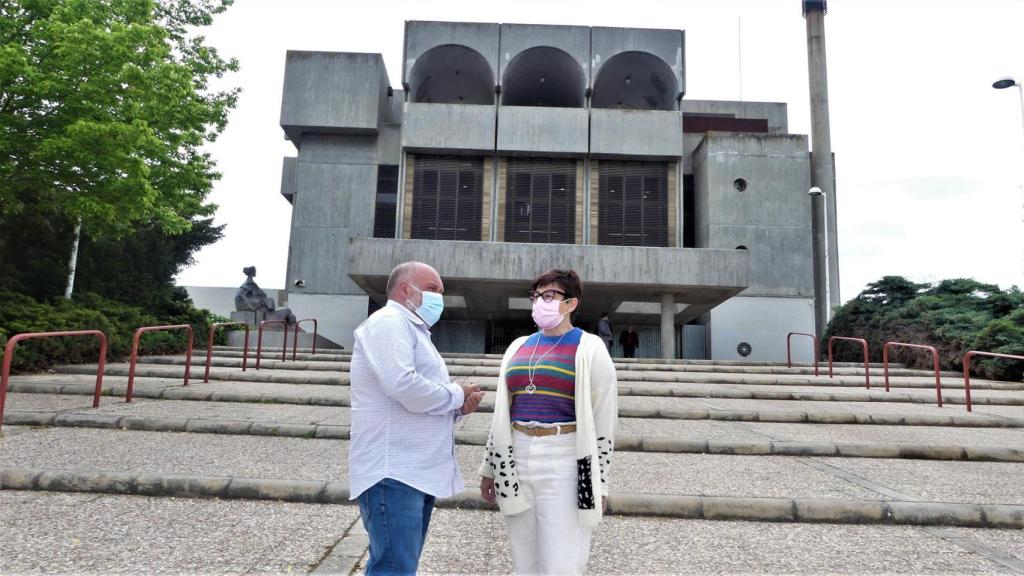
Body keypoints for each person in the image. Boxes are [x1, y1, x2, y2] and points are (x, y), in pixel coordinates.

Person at [348, 261, 485, 575]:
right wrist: (456, 394)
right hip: (394, 472)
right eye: (433, 289)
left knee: (398, 566)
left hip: (413, 472)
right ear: (405, 288)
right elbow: (403, 385)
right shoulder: (389, 322)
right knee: (394, 568)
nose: (439, 297)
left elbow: (415, 400)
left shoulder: (415, 330)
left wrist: (457, 408)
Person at [479, 269, 618, 575]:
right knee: (523, 556)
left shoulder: (591, 348)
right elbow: (503, 412)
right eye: (536, 295)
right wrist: (490, 468)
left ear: (571, 303)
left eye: (549, 295)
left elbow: (604, 418)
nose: (540, 302)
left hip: (565, 457)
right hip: (517, 453)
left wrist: (601, 481)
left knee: (562, 559)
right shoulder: (518, 347)